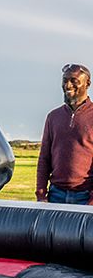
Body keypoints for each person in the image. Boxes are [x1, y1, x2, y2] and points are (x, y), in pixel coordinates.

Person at [36, 63, 93, 205]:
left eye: (74, 81)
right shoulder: (53, 117)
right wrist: (41, 194)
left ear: (87, 84)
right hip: (55, 194)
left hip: (86, 196)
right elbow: (44, 158)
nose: (68, 86)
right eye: (65, 81)